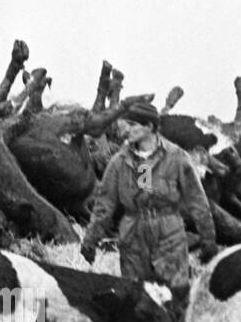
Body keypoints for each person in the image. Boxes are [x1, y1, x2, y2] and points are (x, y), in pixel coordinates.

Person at [80, 100, 218, 295]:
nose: (127, 130)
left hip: (169, 233)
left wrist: (208, 240)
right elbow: (105, 204)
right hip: (132, 234)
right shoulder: (119, 162)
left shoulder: (177, 158)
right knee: (134, 296)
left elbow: (197, 201)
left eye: (133, 125)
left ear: (150, 127)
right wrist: (90, 240)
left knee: (176, 294)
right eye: (126, 124)